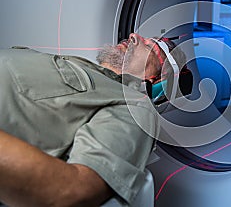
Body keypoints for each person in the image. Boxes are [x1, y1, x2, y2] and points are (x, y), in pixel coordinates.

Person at [0, 33, 186, 207]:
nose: (133, 36)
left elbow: (73, 190)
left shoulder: (134, 105)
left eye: (150, 47)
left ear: (156, 79)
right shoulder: (82, 68)